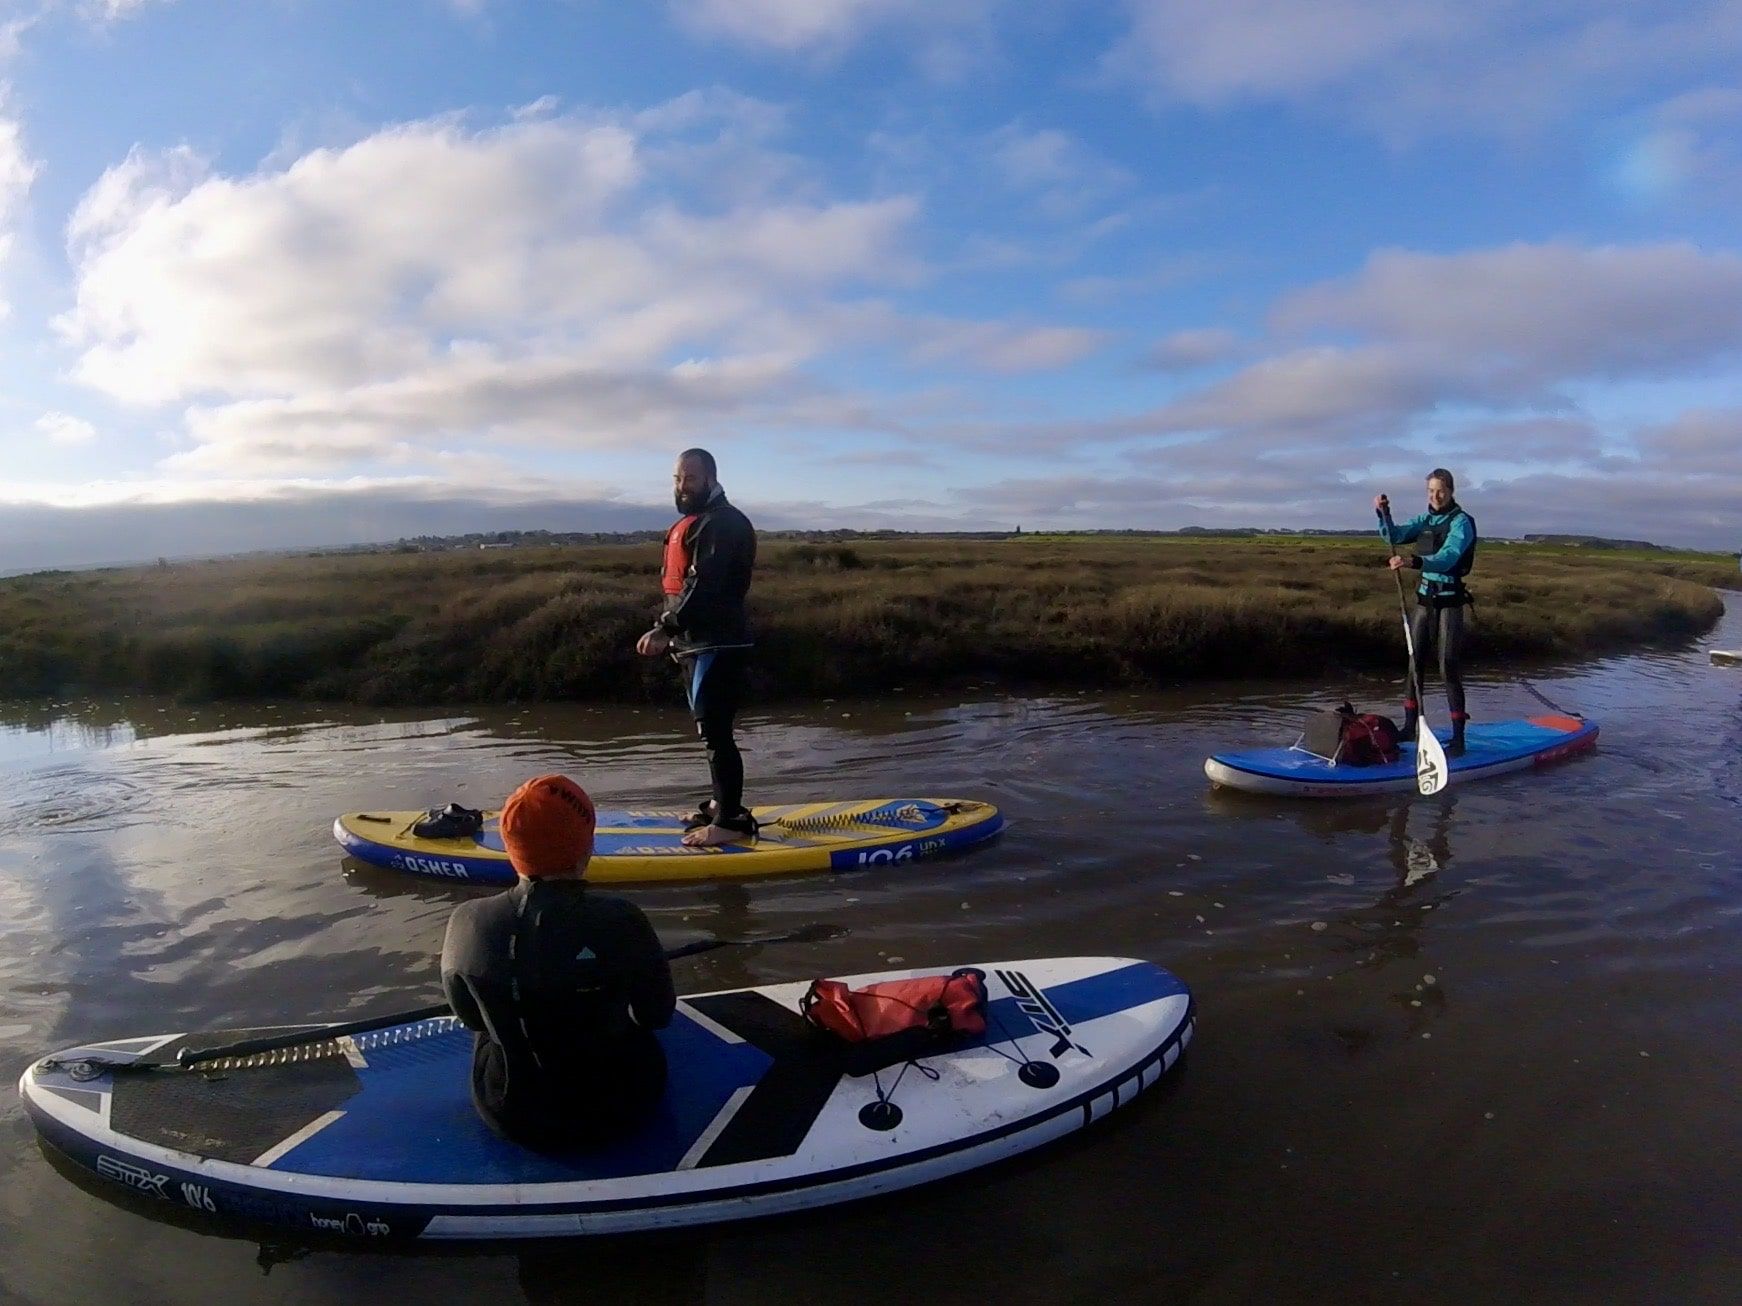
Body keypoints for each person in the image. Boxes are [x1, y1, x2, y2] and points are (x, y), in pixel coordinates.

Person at [441, 773, 675, 1151]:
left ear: (510, 847)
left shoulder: (466, 920)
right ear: (585, 848)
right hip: (623, 1109)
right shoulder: (622, 919)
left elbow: (469, 1018)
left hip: (508, 1112)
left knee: (491, 1019)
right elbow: (656, 1015)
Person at [635, 448, 758, 846]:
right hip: (695, 645)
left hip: (718, 644)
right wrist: (673, 632)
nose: (681, 486)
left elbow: (705, 588)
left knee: (716, 731)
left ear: (709, 478)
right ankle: (721, 803)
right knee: (710, 730)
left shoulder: (724, 524)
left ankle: (730, 822)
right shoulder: (697, 523)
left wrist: (664, 628)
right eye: (676, 478)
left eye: (689, 478)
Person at [1373, 468, 1479, 755]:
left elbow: (1448, 558)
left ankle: (1458, 739)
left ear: (1451, 491)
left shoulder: (1461, 523)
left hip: (1449, 602)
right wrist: (1384, 514)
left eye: (1440, 491)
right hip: (1425, 600)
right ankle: (1410, 728)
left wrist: (1413, 562)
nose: (1435, 496)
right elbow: (1393, 536)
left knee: (1447, 667)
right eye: (1431, 491)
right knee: (1414, 662)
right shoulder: (1426, 519)